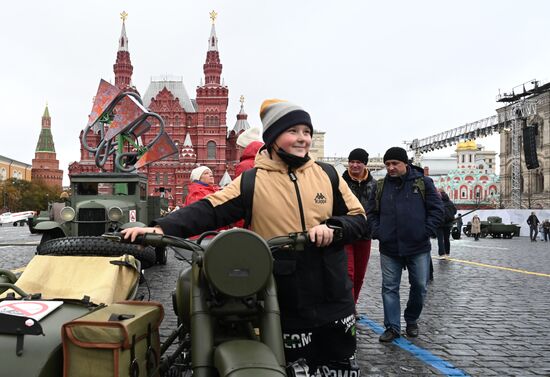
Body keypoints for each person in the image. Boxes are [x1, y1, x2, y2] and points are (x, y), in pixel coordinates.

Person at [122, 99, 367, 375]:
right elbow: (209, 209)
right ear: (273, 137)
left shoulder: (328, 175)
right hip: (283, 297)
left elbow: (359, 220)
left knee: (340, 367)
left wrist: (334, 228)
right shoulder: (252, 181)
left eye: (306, 132)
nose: (303, 139)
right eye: (294, 131)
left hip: (333, 294)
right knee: (287, 367)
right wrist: (161, 228)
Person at [367, 147, 444, 342]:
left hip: (417, 247)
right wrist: (378, 232)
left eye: (395, 163)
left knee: (419, 286)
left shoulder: (423, 183)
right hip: (389, 247)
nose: (391, 167)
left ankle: (411, 320)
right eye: (387, 164)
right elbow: (371, 213)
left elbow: (437, 210)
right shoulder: (380, 186)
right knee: (389, 288)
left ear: (405, 164)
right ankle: (392, 327)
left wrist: (425, 231)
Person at [342, 148, 375, 308]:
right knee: (348, 273)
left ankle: (353, 305)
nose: (354, 165)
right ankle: (348, 308)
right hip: (346, 234)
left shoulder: (374, 185)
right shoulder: (340, 182)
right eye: (352, 162)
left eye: (358, 162)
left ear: (364, 164)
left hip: (364, 235)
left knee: (359, 275)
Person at [436, 190, 457, 258]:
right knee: (446, 239)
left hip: (440, 224)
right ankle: (447, 253)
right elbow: (455, 211)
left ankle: (442, 254)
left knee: (440, 239)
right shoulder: (450, 202)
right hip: (448, 224)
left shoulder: (438, 202)